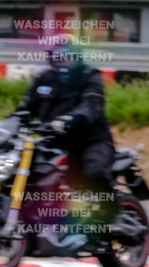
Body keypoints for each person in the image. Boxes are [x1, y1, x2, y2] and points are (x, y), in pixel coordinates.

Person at [8, 40, 118, 225]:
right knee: (28, 171)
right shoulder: (45, 79)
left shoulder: (89, 76)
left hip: (90, 142)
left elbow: (91, 104)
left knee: (93, 171)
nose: (62, 62)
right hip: (54, 142)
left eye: (67, 58)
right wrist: (7, 125)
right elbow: (27, 108)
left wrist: (75, 118)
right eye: (58, 59)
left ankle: (113, 215)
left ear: (76, 58)